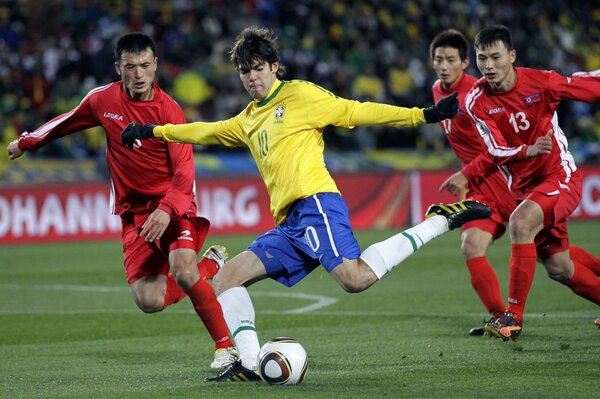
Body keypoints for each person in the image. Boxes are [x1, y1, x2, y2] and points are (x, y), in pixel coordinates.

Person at [121, 26, 492, 382]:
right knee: (226, 279)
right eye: (245, 71)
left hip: (316, 205)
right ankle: (250, 363)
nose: (252, 78)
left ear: (274, 67)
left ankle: (439, 221)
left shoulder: (299, 96)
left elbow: (356, 110)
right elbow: (205, 130)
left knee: (355, 278)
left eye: (258, 69)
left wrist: (422, 115)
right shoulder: (248, 119)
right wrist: (153, 130)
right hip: (289, 224)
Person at [6, 32, 239, 368]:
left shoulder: (169, 110)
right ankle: (211, 265)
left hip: (174, 207)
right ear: (119, 68)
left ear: (156, 65)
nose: (139, 74)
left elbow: (185, 174)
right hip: (134, 214)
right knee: (149, 300)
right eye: (131, 66)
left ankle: (226, 348)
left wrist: (166, 209)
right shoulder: (103, 101)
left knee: (183, 272)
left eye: (145, 65)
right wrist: (27, 143)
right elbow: (66, 122)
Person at [430, 29, 600, 336]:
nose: (490, 66)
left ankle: (510, 317)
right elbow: (493, 149)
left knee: (521, 223)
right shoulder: (477, 101)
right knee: (559, 267)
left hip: (559, 176)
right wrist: (527, 150)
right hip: (524, 187)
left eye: (496, 57)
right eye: (483, 59)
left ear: (512, 57)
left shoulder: (542, 81)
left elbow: (587, 85)